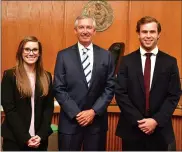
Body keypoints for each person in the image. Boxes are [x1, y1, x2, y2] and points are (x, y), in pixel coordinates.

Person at [115, 16, 181, 151]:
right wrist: (140, 122)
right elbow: (121, 93)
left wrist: (155, 121)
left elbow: (173, 95)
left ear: (158, 35)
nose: (148, 36)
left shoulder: (170, 62)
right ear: (138, 34)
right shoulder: (126, 61)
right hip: (132, 129)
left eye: (152, 32)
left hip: (159, 130)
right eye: (144, 32)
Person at [53, 15, 115, 151]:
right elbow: (58, 88)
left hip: (96, 123)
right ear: (75, 31)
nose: (85, 31)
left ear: (94, 31)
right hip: (70, 122)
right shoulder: (63, 55)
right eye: (81, 27)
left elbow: (110, 87)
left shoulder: (106, 55)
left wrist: (93, 112)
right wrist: (77, 114)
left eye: (89, 27)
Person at [1, 36, 54, 151]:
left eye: (35, 50)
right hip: (15, 140)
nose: (31, 53)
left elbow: (48, 108)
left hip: (39, 140)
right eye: (27, 49)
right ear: (21, 52)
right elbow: (9, 110)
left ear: (39, 53)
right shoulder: (10, 75)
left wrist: (41, 135)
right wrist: (25, 137)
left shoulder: (47, 76)